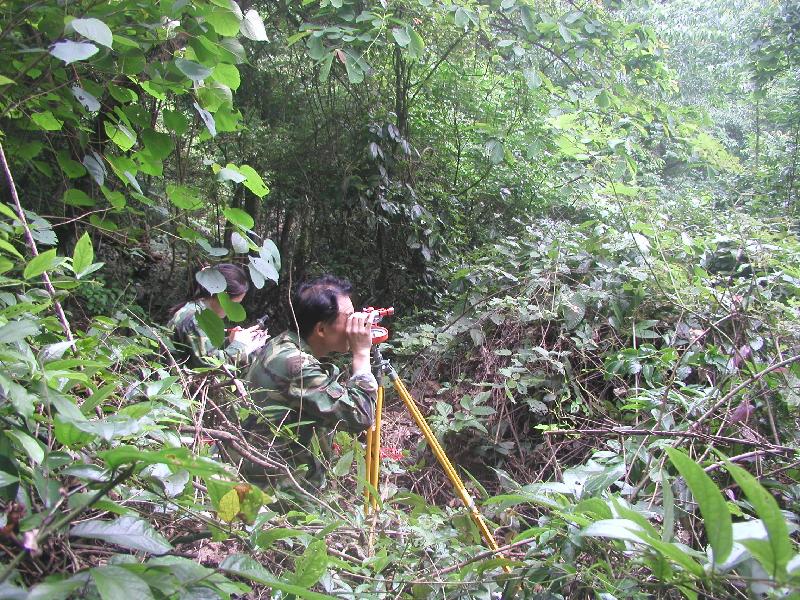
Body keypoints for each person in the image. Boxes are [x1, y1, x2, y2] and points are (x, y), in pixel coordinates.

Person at [244, 275, 378, 488]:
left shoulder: (282, 344)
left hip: (262, 477)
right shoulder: (295, 365)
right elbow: (361, 416)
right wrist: (362, 354)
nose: (357, 323)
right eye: (350, 316)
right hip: (279, 496)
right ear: (321, 329)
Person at [168, 263, 267, 367]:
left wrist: (229, 342)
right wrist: (240, 345)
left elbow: (204, 352)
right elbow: (210, 367)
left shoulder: (196, 309)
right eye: (235, 304)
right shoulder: (196, 319)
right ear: (222, 297)